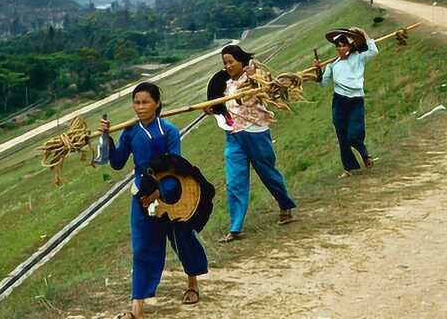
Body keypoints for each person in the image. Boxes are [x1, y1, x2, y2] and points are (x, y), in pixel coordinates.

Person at [100, 82, 208, 319]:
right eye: (136, 102)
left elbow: (176, 166)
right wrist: (107, 138)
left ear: (157, 103)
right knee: (142, 249)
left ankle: (192, 283)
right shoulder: (130, 131)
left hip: (170, 190)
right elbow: (117, 162)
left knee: (182, 239)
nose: (140, 107)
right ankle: (136, 309)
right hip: (141, 195)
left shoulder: (169, 131)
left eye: (145, 102)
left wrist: (159, 193)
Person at [205, 45, 297, 243]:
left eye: (231, 62)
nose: (228, 66)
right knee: (234, 182)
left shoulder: (255, 77)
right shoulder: (224, 83)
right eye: (225, 63)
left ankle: (285, 205)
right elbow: (221, 105)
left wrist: (253, 75)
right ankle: (236, 227)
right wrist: (212, 109)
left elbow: (266, 90)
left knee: (268, 174)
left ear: (241, 60)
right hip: (234, 135)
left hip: (256, 133)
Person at [314, 27, 378, 178]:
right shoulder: (333, 65)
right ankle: (350, 168)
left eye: (343, 45)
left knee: (354, 135)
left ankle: (365, 155)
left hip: (356, 101)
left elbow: (374, 51)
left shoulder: (359, 57)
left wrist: (363, 32)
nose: (340, 48)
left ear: (349, 46)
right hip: (339, 102)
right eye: (338, 46)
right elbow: (323, 83)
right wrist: (318, 70)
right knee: (342, 137)